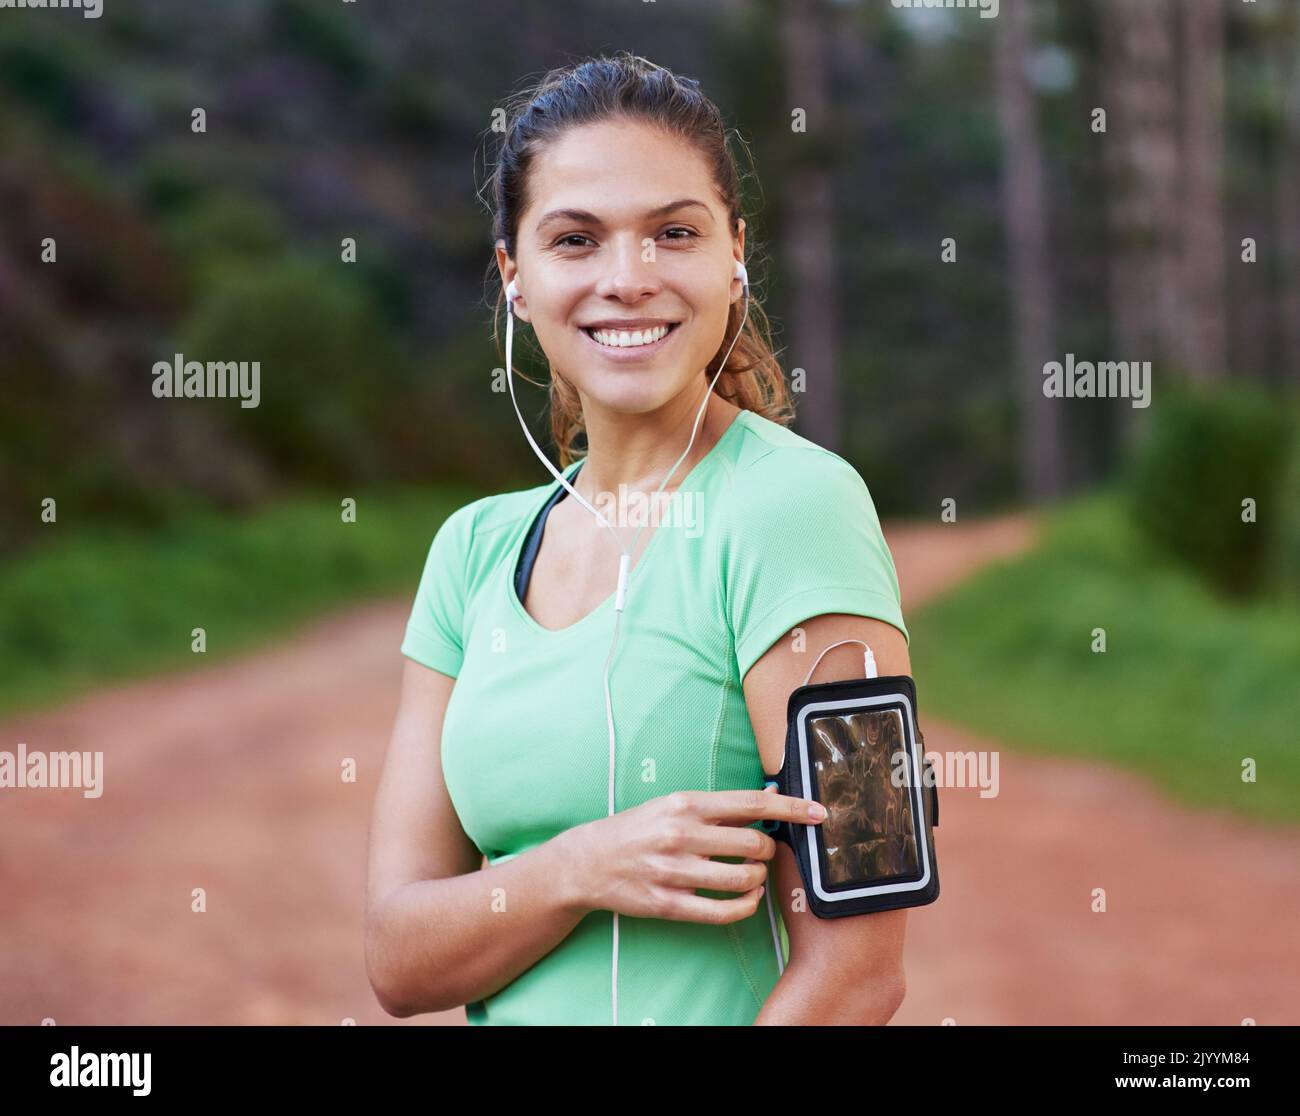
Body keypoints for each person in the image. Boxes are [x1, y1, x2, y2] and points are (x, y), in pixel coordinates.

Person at [364, 52, 912, 1026]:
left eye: (673, 233)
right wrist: (579, 867)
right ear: (515, 278)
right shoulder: (471, 552)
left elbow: (860, 972)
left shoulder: (800, 511)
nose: (628, 278)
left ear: (731, 254)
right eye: (575, 240)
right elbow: (400, 962)